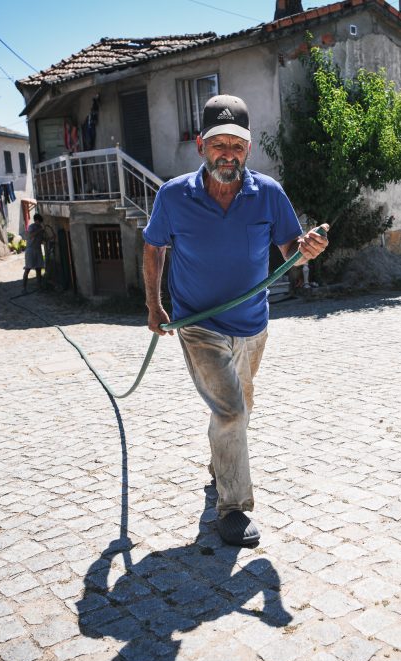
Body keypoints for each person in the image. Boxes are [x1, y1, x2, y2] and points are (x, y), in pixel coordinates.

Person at [142, 94, 328, 547]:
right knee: (231, 410)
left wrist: (306, 251)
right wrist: (153, 304)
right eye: (219, 144)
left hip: (252, 324)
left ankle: (221, 464)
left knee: (240, 406)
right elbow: (154, 247)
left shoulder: (269, 194)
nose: (229, 154)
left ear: (248, 150)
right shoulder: (173, 196)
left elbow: (290, 249)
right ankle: (233, 508)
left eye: (238, 146)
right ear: (201, 146)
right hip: (197, 324)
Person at [23, 213, 46, 292]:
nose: (40, 223)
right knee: (28, 268)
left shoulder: (40, 228)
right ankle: (24, 288)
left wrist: (49, 238)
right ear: (36, 220)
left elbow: (42, 239)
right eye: (39, 221)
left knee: (38, 269)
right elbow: (30, 235)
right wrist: (40, 230)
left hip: (38, 250)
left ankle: (39, 287)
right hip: (30, 250)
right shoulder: (31, 227)